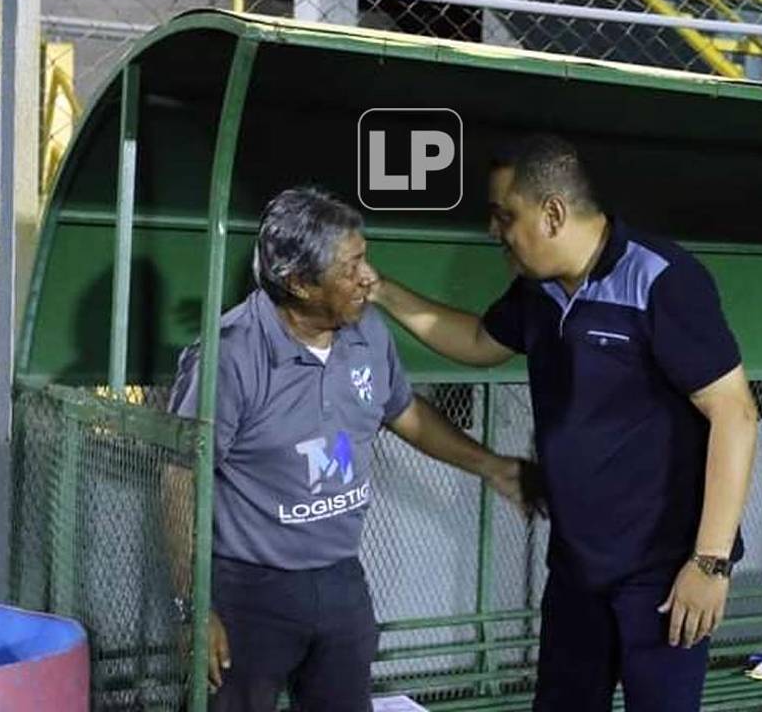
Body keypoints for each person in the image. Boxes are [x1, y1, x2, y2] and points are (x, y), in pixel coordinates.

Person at [369, 135, 759, 711]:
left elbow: (737, 413)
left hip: (663, 573)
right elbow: (479, 340)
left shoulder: (661, 278)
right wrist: (381, 291)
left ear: (552, 213)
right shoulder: (537, 290)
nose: (494, 231)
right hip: (577, 566)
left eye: (506, 216)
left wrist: (709, 562)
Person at [167, 187, 532, 712]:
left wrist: (491, 466)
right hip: (249, 589)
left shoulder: (367, 334)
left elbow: (405, 414)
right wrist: (194, 606)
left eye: (365, 258)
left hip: (341, 579)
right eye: (350, 267)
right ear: (299, 283)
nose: (369, 278)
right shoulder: (230, 356)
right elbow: (181, 477)